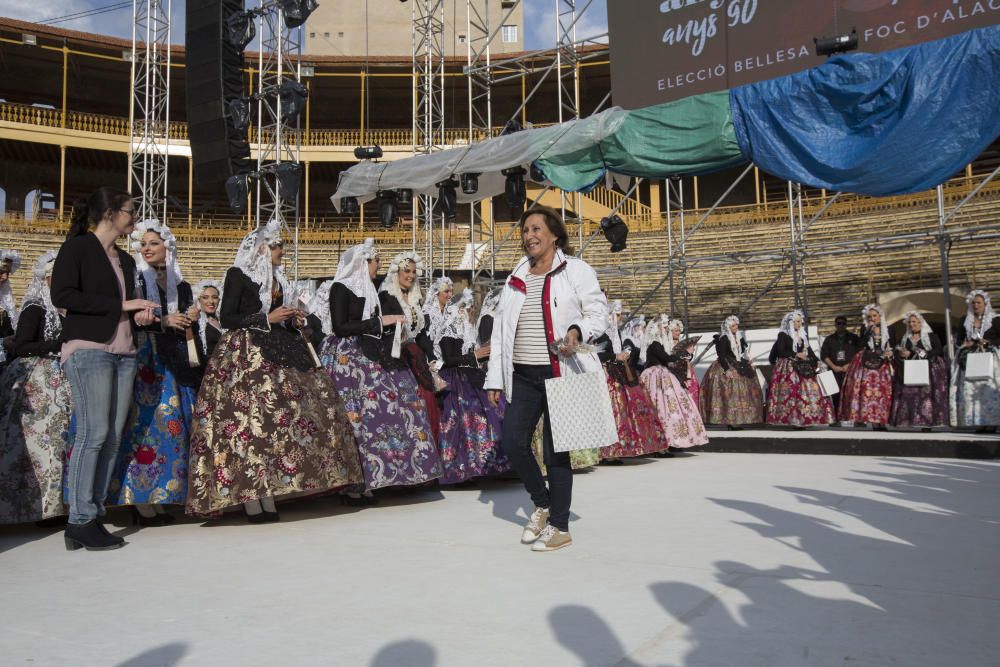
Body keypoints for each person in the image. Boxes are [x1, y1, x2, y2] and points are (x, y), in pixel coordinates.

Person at [185, 220, 363, 521]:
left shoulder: (279, 279)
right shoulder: (238, 274)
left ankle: (270, 490)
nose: (282, 250)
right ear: (261, 248)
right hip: (247, 354)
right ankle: (251, 497)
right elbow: (227, 317)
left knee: (279, 424)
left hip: (280, 349)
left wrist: (292, 320)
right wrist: (267, 317)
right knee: (251, 424)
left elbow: (279, 314)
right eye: (277, 245)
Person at [486, 206, 608, 553]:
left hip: (560, 374)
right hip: (522, 375)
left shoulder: (576, 270)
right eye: (525, 230)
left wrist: (577, 330)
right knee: (513, 442)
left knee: (556, 453)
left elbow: (598, 313)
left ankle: (560, 526)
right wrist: (496, 378)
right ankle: (542, 503)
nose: (529, 236)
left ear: (554, 234)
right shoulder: (517, 275)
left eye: (536, 229)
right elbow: (501, 333)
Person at [52, 187, 160, 551]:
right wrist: (122, 304)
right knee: (93, 434)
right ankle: (80, 519)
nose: (133, 217)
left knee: (111, 436)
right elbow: (63, 296)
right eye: (129, 211)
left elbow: (124, 308)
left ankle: (91, 515)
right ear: (110, 213)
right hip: (89, 349)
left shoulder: (127, 262)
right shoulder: (78, 247)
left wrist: (140, 313)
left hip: (124, 351)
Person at [320, 239, 442, 498]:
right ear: (365, 262)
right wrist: (380, 322)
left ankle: (375, 477)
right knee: (354, 417)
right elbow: (341, 327)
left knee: (375, 416)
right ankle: (353, 484)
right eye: (376, 261)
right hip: (347, 359)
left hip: (368, 354)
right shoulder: (340, 288)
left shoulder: (370, 290)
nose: (378, 266)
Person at [113, 220, 199, 525]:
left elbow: (187, 326)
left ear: (167, 247)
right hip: (145, 358)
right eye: (144, 244)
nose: (147, 249)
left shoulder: (183, 285)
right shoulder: (134, 279)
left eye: (154, 243)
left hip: (173, 361)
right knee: (145, 426)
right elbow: (126, 317)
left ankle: (163, 495)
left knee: (175, 424)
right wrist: (163, 322)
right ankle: (140, 499)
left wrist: (189, 319)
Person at [0, 252, 73, 525]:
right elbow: (21, 345)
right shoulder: (35, 306)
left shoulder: (66, 310)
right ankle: (37, 506)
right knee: (40, 444)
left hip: (62, 379)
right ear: (46, 278)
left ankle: (58, 505)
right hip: (36, 380)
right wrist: (56, 347)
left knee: (61, 441)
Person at [433, 288, 509, 484]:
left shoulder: (466, 328)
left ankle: (486, 464)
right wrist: (476, 355)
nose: (470, 311)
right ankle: (461, 469)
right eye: (466, 308)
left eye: (471, 308)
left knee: (491, 412)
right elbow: (449, 359)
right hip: (454, 379)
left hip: (470, 376)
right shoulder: (449, 328)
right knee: (463, 420)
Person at [598, 301, 667, 462]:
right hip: (605, 377)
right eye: (616, 314)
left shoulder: (615, 334)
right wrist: (615, 357)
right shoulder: (601, 334)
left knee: (621, 413)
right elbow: (595, 355)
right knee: (612, 412)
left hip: (616, 375)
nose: (619, 317)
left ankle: (618, 448)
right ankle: (607, 452)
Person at [640, 315, 709, 449]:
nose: (664, 329)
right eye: (662, 327)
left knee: (669, 407)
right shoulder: (655, 344)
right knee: (660, 406)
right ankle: (661, 443)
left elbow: (668, 358)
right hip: (656, 376)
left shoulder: (659, 343)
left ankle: (668, 441)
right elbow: (666, 357)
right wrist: (681, 353)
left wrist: (683, 354)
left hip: (663, 374)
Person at [766, 310, 834, 427]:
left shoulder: (802, 334)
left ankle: (806, 416)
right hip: (788, 367)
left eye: (800, 321)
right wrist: (796, 354)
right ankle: (794, 419)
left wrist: (815, 360)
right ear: (791, 323)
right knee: (792, 392)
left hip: (802, 367)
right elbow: (781, 351)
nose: (800, 323)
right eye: (797, 322)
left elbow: (809, 350)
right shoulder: (783, 335)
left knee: (808, 391)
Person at [699, 315, 764, 427]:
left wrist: (746, 358)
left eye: (737, 325)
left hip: (737, 363)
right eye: (733, 326)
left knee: (742, 391)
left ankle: (740, 418)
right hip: (726, 365)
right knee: (730, 393)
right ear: (728, 327)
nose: (736, 327)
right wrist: (727, 370)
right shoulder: (724, 338)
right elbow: (722, 356)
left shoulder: (738, 337)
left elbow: (741, 351)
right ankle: (730, 421)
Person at [838, 304, 895, 427]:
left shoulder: (889, 329)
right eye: (869, 316)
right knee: (870, 392)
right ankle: (873, 420)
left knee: (884, 392)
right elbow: (860, 345)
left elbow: (894, 345)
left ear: (880, 316)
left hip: (884, 364)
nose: (872, 318)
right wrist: (868, 332)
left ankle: (883, 421)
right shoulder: (865, 329)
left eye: (874, 316)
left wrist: (891, 352)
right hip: (869, 363)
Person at [891, 311, 948, 428]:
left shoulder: (931, 337)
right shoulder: (904, 338)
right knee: (910, 395)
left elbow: (938, 350)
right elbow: (896, 353)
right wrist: (901, 355)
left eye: (914, 322)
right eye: (910, 322)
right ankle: (909, 420)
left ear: (921, 323)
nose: (912, 324)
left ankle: (927, 421)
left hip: (927, 371)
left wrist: (913, 352)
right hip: (909, 371)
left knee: (925, 397)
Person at [952, 290, 1000, 428]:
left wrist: (988, 342)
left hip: (990, 358)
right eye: (973, 302)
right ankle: (978, 422)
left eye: (978, 302)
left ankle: (992, 422)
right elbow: (959, 340)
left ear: (985, 303)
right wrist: (964, 344)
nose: (975, 305)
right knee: (970, 389)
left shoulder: (995, 319)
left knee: (988, 390)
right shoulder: (965, 320)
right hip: (971, 359)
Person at [820, 315, 860, 413]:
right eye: (839, 323)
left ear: (846, 325)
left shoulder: (854, 338)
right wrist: (834, 367)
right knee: (835, 395)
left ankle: (854, 418)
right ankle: (837, 418)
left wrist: (850, 365)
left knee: (852, 394)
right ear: (835, 325)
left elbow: (859, 353)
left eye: (843, 323)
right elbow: (823, 355)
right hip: (834, 371)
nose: (841, 325)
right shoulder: (829, 339)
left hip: (850, 371)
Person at [666, 318, 700, 406]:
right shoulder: (666, 344)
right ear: (670, 331)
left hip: (686, 370)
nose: (678, 333)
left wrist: (689, 353)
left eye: (679, 331)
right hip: (673, 372)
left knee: (691, 392)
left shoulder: (683, 343)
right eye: (675, 331)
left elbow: (689, 357)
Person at [191, 279, 224, 363]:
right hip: (206, 369)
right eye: (205, 297)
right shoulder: (196, 322)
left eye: (215, 297)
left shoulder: (222, 320)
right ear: (199, 300)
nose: (211, 301)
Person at [423, 276, 454, 358]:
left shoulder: (451, 314)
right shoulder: (427, 315)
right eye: (446, 291)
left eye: (451, 291)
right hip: (431, 360)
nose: (450, 295)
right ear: (436, 293)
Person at [0, 249, 21, 367]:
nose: (5, 277)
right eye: (1, 272)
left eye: (7, 273)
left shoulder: (6, 306)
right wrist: (3, 343)